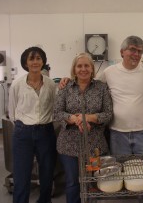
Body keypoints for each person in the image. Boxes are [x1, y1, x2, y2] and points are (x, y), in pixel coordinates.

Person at [53, 53, 113, 203]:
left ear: (92, 69)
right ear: (74, 69)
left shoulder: (101, 87)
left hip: (95, 145)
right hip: (69, 145)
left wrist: (88, 117)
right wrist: (74, 119)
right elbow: (57, 113)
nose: (83, 69)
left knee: (94, 182)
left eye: (87, 66)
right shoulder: (65, 87)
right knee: (73, 182)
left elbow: (108, 114)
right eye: (79, 66)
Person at [8, 46, 57, 203]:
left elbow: (55, 108)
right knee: (21, 175)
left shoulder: (50, 85)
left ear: (43, 61)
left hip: (46, 132)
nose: (35, 62)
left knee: (47, 174)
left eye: (38, 58)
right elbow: (12, 112)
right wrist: (24, 126)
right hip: (23, 133)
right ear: (25, 62)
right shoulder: (17, 84)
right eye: (31, 59)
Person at [98, 36, 143, 155]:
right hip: (118, 133)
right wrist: (68, 80)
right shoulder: (109, 72)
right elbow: (91, 86)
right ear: (122, 52)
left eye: (140, 51)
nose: (136, 54)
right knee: (121, 171)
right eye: (132, 49)